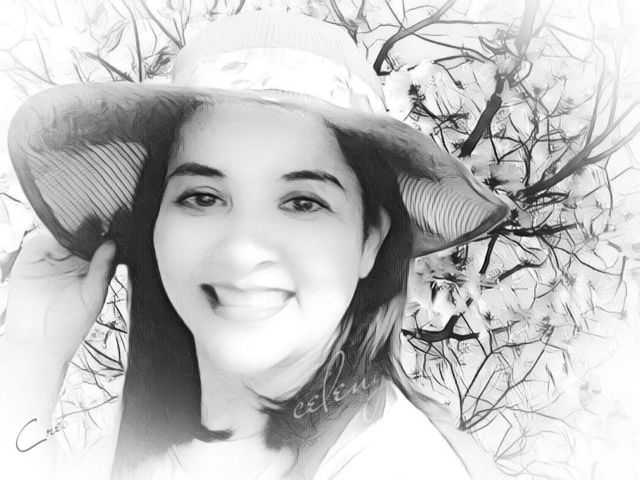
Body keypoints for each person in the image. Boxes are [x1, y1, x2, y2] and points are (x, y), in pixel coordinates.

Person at [1, 11, 510, 480]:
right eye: (202, 197)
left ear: (370, 239)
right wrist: (32, 352)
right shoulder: (136, 459)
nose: (243, 249)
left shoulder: (398, 465)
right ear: (154, 224)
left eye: (303, 202)